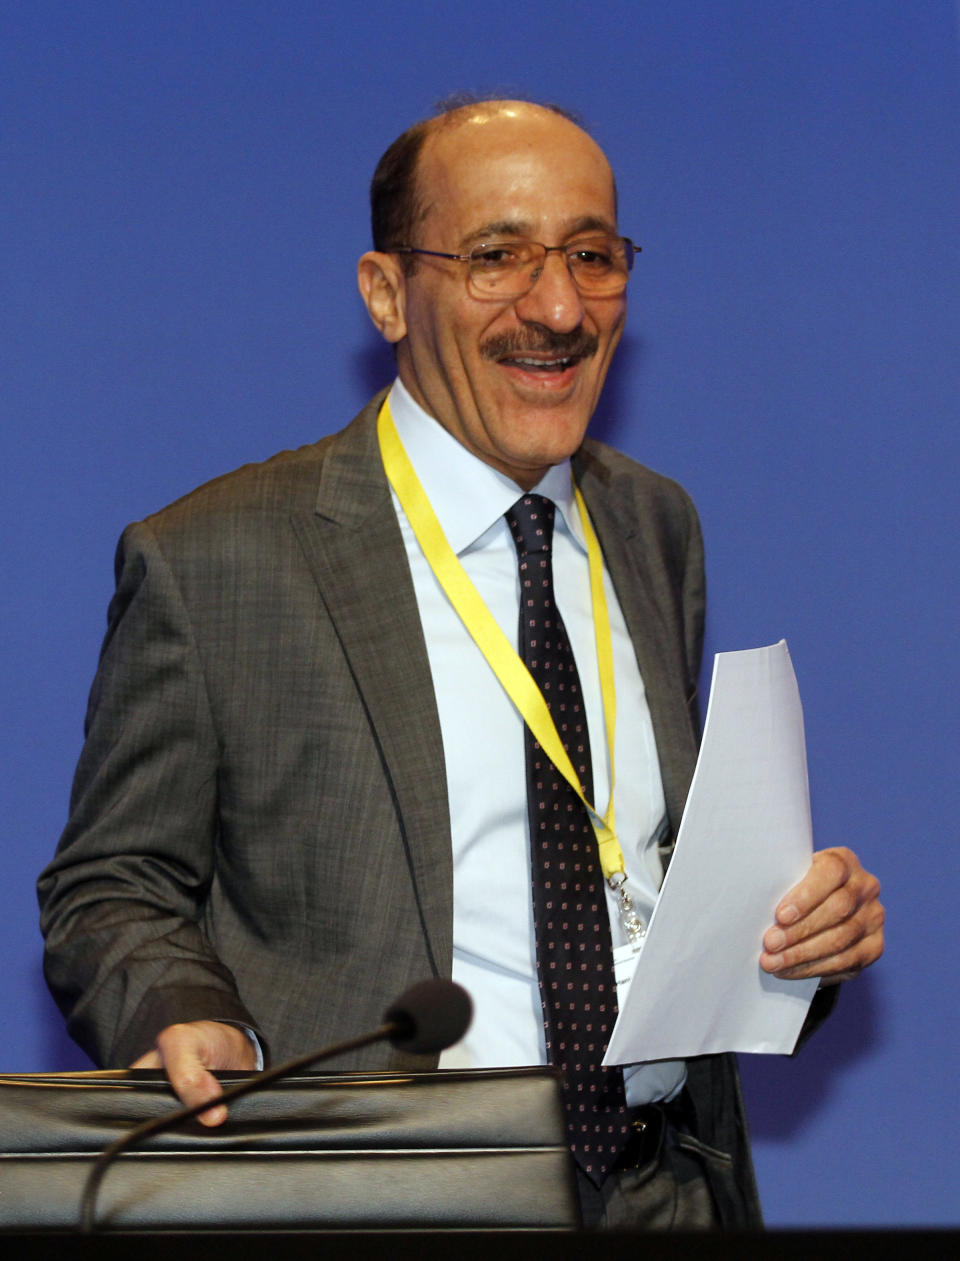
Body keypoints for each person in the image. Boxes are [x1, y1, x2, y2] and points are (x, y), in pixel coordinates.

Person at [38, 99, 884, 1229]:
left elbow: (636, 874)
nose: (559, 307)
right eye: (498, 258)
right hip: (386, 1198)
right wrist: (190, 1013)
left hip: (668, 1187)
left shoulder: (653, 526)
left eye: (593, 256)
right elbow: (109, 888)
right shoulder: (217, 558)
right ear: (385, 293)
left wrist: (794, 942)